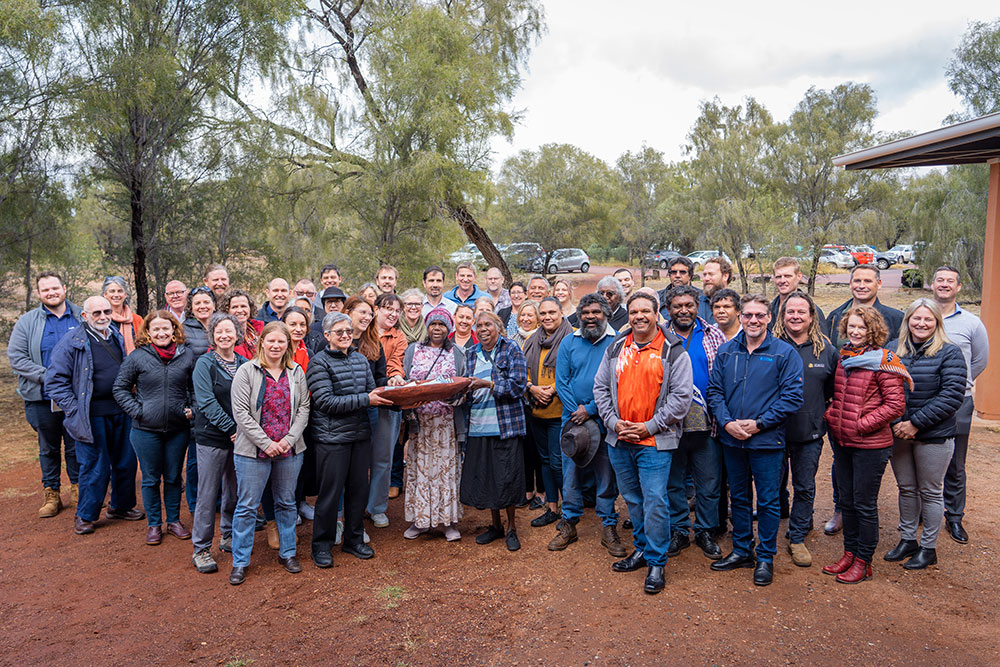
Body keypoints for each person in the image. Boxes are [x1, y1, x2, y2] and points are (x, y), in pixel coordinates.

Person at [593, 292, 693, 595]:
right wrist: (613, 423)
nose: (639, 316)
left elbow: (681, 399)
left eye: (646, 311)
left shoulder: (673, 351)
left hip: (655, 441)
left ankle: (657, 562)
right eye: (634, 311)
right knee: (633, 500)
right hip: (620, 439)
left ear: (656, 313)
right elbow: (600, 389)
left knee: (655, 501)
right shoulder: (614, 349)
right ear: (628, 313)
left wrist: (648, 426)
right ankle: (641, 549)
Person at [706, 294, 804, 587]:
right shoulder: (726, 352)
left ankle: (765, 557)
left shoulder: (784, 354)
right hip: (732, 440)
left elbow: (792, 398)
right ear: (740, 317)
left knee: (769, 501)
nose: (753, 320)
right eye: (748, 315)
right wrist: (727, 422)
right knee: (738, 497)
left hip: (767, 441)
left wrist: (759, 424)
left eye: (759, 315)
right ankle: (741, 550)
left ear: (769, 318)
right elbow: (714, 392)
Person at [821, 306, 907, 584]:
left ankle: (863, 562)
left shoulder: (883, 360)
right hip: (843, 442)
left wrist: (861, 424)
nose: (856, 332)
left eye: (863, 328)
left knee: (864, 504)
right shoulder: (844, 355)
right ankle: (849, 553)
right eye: (853, 326)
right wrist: (833, 416)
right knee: (846, 502)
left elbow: (895, 405)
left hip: (871, 445)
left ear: (874, 330)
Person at [45, 296, 142, 535]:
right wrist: (74, 408)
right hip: (90, 416)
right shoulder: (72, 342)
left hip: (121, 411)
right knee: (94, 465)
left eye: (106, 311)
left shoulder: (116, 336)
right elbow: (54, 382)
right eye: (96, 313)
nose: (102, 316)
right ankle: (86, 515)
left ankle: (121, 506)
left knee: (126, 461)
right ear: (85, 316)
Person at [884, 299, 966, 570]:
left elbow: (952, 395)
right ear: (908, 320)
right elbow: (882, 387)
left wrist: (915, 423)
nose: (921, 324)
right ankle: (908, 539)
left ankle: (928, 548)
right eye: (916, 319)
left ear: (937, 323)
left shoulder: (950, 353)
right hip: (899, 433)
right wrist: (897, 422)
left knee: (930, 492)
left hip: (934, 435)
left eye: (928, 319)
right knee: (906, 488)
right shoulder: (892, 349)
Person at [822, 263, 903, 535]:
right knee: (844, 480)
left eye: (868, 280)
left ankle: (863, 555)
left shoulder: (895, 320)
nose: (861, 285)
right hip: (843, 424)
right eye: (856, 279)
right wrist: (834, 415)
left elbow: (894, 399)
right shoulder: (835, 317)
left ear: (878, 283)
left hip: (870, 425)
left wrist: (862, 422)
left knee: (865, 496)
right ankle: (841, 515)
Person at [307, 313, 392, 569]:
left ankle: (353, 539)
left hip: (359, 436)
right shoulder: (318, 363)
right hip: (332, 439)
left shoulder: (359, 359)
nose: (345, 335)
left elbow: (371, 391)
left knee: (358, 491)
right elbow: (325, 402)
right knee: (330, 495)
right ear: (327, 336)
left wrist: (399, 396)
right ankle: (321, 545)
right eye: (338, 332)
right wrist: (367, 400)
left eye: (347, 331)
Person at [228, 322, 311, 585]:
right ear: (261, 342)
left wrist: (288, 439)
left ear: (289, 345)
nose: (276, 346)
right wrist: (266, 443)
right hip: (253, 450)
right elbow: (241, 413)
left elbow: (304, 409)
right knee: (247, 506)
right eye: (271, 341)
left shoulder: (295, 371)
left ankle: (287, 553)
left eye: (281, 342)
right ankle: (240, 561)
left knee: (286, 502)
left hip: (289, 448)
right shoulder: (246, 371)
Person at [112, 310, 197, 546]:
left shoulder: (186, 355)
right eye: (156, 329)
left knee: (172, 477)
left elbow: (195, 389)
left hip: (178, 429)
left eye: (165, 328)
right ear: (148, 332)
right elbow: (119, 389)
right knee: (150, 479)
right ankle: (153, 525)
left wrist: (192, 409)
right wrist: (139, 411)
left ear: (174, 331)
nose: (161, 332)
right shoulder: (137, 357)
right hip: (145, 430)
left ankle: (173, 521)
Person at [550, 293, 625, 556]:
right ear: (579, 316)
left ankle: (608, 526)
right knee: (571, 475)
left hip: (605, 421)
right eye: (585, 312)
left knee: (606, 476)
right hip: (572, 422)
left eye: (596, 312)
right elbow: (562, 382)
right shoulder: (569, 342)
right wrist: (576, 412)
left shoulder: (617, 343)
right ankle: (568, 524)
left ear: (606, 314)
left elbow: (618, 384)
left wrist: (592, 410)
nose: (590, 317)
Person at [7, 270, 82, 518]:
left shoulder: (82, 316)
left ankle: (78, 489)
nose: (51, 293)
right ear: (39, 293)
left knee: (76, 443)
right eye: (45, 290)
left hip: (75, 396)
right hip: (41, 396)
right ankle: (51, 493)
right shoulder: (28, 321)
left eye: (55, 288)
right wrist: (50, 377)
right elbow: (17, 358)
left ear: (64, 289)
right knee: (48, 447)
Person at [771, 291, 837, 567]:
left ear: (812, 317)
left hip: (809, 432)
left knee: (805, 487)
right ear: (782, 315)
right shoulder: (770, 345)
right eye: (790, 312)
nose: (795, 316)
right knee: (772, 486)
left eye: (801, 312)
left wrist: (823, 418)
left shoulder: (826, 350)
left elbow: (833, 393)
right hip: (772, 431)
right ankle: (767, 536)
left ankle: (797, 536)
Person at [663, 285, 728, 561]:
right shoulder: (659, 335)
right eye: (678, 306)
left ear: (697, 305)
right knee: (673, 481)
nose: (684, 310)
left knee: (709, 481)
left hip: (708, 422)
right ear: (668, 309)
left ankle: (704, 530)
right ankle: (679, 529)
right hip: (669, 423)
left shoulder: (714, 334)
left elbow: (725, 376)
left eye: (689, 305)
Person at [461, 311, 529, 552]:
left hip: (505, 425)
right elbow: (464, 388)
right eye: (478, 325)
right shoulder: (470, 353)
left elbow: (518, 386)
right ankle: (495, 525)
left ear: (498, 327)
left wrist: (488, 384)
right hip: (479, 425)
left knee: (507, 477)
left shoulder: (511, 349)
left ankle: (511, 527)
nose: (482, 329)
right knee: (489, 476)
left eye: (487, 324)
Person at [931, 266, 989, 544]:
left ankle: (954, 517)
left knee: (955, 462)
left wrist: (957, 386)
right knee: (921, 460)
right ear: (932, 285)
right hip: (923, 400)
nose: (944, 285)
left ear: (959, 287)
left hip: (958, 402)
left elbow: (979, 361)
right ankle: (922, 512)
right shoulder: (920, 316)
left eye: (949, 281)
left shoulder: (971, 323)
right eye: (940, 280)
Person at [401, 308, 467, 540]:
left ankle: (448, 522)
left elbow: (464, 386)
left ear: (449, 328)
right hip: (421, 423)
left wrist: (448, 395)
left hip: (446, 424)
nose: (437, 328)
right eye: (433, 324)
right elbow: (405, 380)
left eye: (442, 324)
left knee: (445, 472)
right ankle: (421, 521)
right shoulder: (413, 350)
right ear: (427, 327)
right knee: (421, 471)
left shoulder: (457, 353)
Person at [190, 313, 248, 573]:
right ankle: (201, 548)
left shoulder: (245, 363)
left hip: (241, 439)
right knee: (208, 493)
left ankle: (228, 535)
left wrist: (243, 431)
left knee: (234, 490)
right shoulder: (204, 364)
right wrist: (232, 429)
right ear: (212, 336)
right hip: (212, 438)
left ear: (237, 334)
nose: (224, 335)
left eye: (229, 331)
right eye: (219, 332)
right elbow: (206, 403)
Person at [523, 297, 572, 529]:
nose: (547, 317)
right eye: (543, 313)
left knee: (558, 462)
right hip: (536, 410)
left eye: (552, 312)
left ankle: (569, 511)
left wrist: (551, 390)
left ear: (561, 313)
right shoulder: (532, 341)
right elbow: (522, 371)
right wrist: (532, 388)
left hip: (560, 412)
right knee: (544, 461)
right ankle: (552, 507)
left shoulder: (571, 339)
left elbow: (573, 372)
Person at [368, 293, 407, 528]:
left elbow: (395, 363)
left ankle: (377, 507)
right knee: (359, 461)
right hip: (362, 401)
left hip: (387, 401)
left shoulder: (399, 336)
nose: (392, 313)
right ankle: (354, 505)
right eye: (387, 308)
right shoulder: (363, 332)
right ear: (375, 309)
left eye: (396, 310)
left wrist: (396, 377)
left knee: (383, 459)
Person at [769, 258, 824, 329]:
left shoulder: (812, 310)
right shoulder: (768, 310)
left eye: (787, 276)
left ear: (799, 276)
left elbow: (821, 339)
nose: (782, 281)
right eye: (778, 277)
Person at [220, 289, 264, 360]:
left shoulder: (259, 330)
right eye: (234, 307)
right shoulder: (222, 334)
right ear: (227, 310)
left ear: (250, 308)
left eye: (243, 306)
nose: (240, 310)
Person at [103, 276, 143, 354]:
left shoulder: (137, 319)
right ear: (105, 294)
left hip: (135, 363)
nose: (116, 295)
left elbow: (145, 344)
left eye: (120, 291)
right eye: (112, 291)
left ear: (125, 294)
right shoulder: (101, 319)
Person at [310, 286, 348, 353]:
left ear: (343, 304)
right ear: (324, 305)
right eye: (329, 302)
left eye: (337, 301)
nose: (333, 305)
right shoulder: (313, 329)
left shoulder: (350, 328)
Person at [182, 286, 217, 357]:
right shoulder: (183, 330)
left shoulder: (222, 326)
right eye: (197, 303)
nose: (202, 306)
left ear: (214, 306)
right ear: (191, 308)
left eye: (206, 302)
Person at [699, 257, 732, 324]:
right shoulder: (696, 304)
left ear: (725, 276)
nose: (706, 278)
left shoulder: (736, 305)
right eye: (705, 275)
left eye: (711, 274)